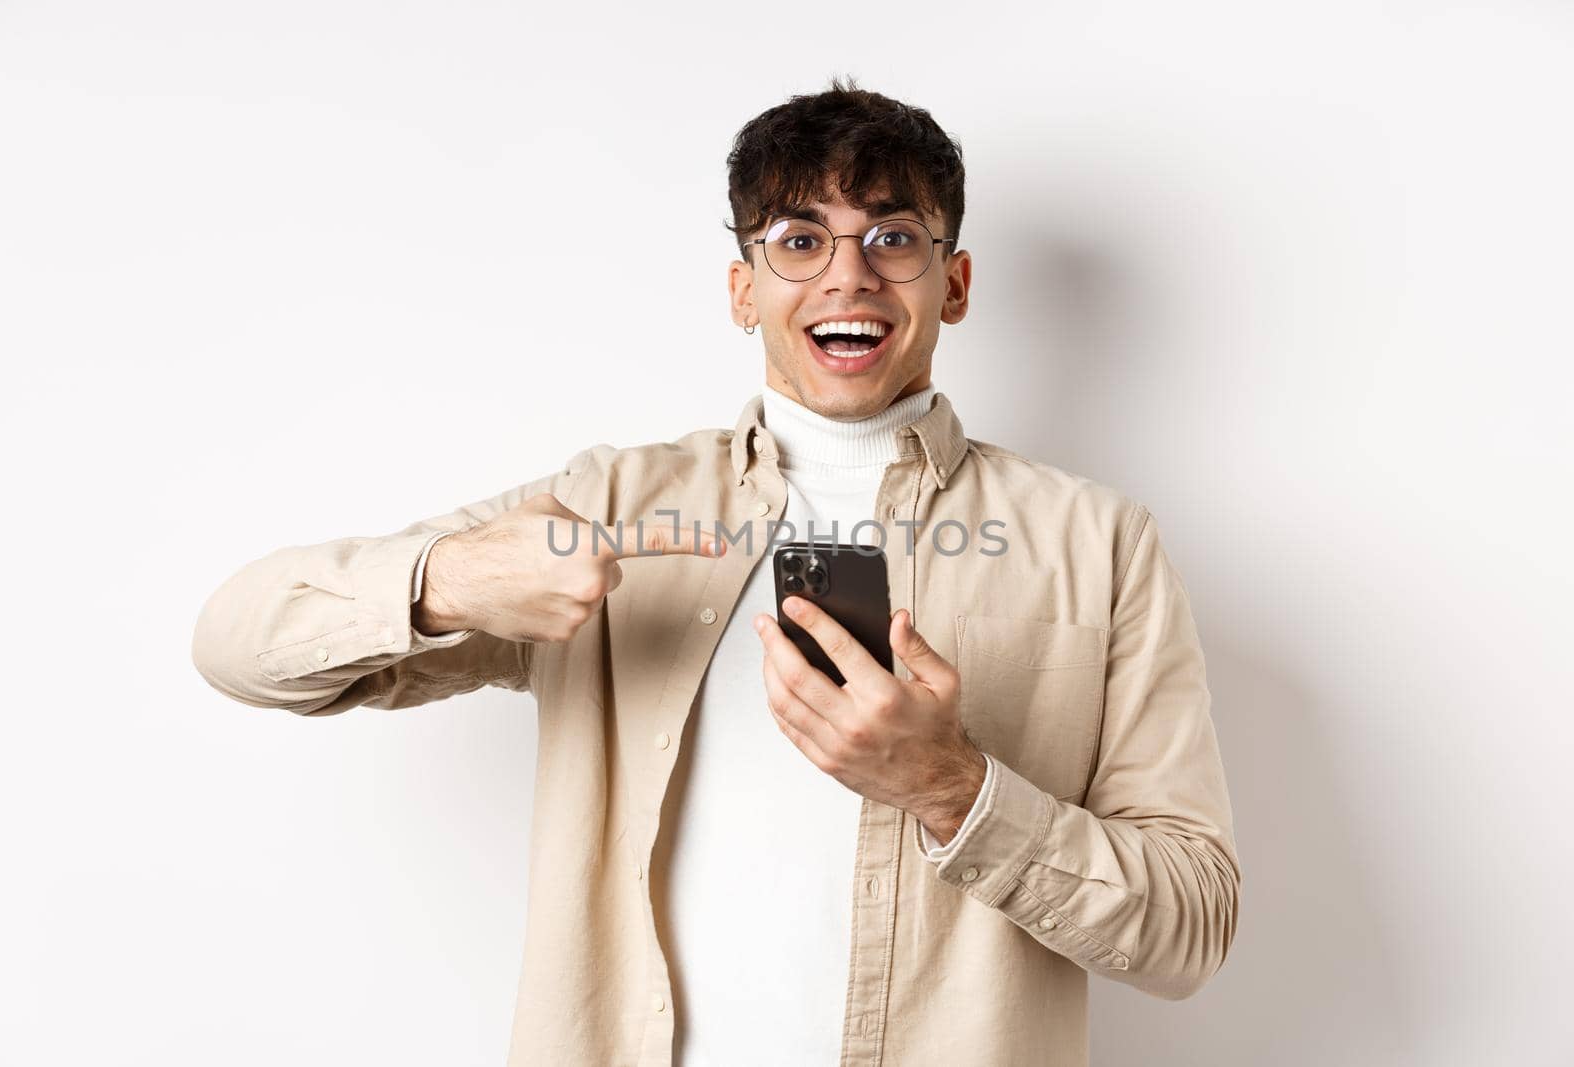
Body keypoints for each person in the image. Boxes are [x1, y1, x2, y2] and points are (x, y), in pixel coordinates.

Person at [191, 75, 1240, 1066]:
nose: (848, 274)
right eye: (799, 239)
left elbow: (1191, 926)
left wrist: (950, 785)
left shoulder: (1099, 543)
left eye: (893, 237)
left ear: (952, 283)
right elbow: (238, 645)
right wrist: (445, 581)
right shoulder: (606, 507)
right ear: (744, 289)